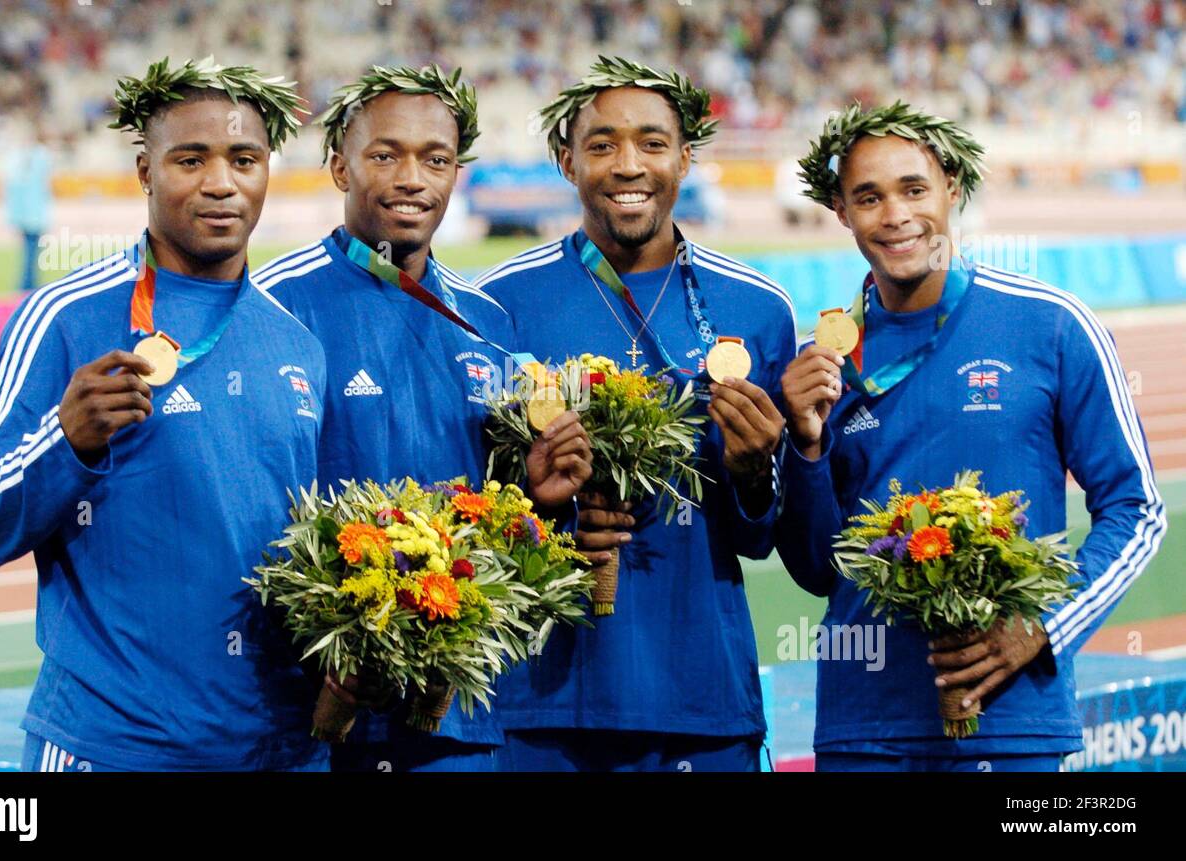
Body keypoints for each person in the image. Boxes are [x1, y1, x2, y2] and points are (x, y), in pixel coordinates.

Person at [0, 58, 330, 771]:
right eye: (191, 158)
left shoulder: (297, 341)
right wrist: (66, 440)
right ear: (144, 170)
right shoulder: (63, 317)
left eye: (244, 158)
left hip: (279, 748)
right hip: (113, 745)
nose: (221, 182)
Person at [776, 101, 1164, 772]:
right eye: (868, 197)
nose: (895, 214)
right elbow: (817, 569)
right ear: (840, 211)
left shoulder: (1051, 325)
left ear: (954, 187)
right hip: (865, 729)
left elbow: (1136, 507)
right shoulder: (824, 365)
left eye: (914, 188)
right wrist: (805, 445)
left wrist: (1046, 626)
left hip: (1016, 724)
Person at [254, 64, 593, 772]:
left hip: (454, 724)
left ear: (457, 172)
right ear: (339, 167)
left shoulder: (490, 323)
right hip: (313, 718)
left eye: (435, 159)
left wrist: (540, 499)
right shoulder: (270, 308)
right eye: (386, 155)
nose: (413, 177)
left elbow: (507, 521)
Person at [475, 57, 797, 771]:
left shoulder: (759, 309)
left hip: (702, 697)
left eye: (652, 143)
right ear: (566, 161)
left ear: (685, 158)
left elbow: (765, 536)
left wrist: (751, 474)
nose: (628, 166)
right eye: (601, 145)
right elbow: (471, 507)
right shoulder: (495, 305)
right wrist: (540, 513)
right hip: (541, 703)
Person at [4, 123, 53, 292]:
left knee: (30, 252)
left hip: (30, 214)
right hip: (31, 214)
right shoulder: (35, 156)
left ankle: (27, 284)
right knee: (31, 252)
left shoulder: (24, 157)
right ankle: (27, 284)